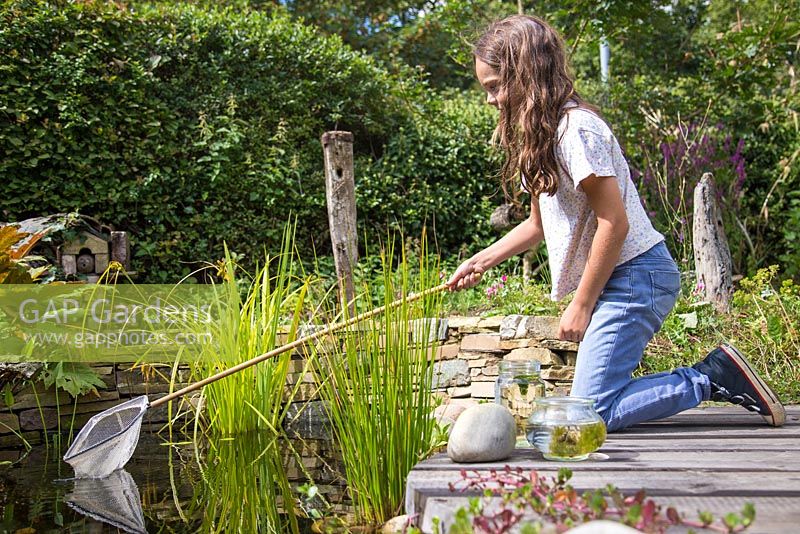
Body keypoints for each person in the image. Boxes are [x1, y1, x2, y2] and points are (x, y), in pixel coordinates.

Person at [446, 14, 785, 431]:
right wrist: (481, 260)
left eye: (495, 86)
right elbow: (538, 224)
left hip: (637, 275)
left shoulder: (576, 131)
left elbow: (614, 223)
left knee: (594, 412)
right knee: (592, 406)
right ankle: (713, 375)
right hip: (617, 278)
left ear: (524, 75)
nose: (491, 99)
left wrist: (582, 303)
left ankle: (712, 377)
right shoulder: (540, 138)